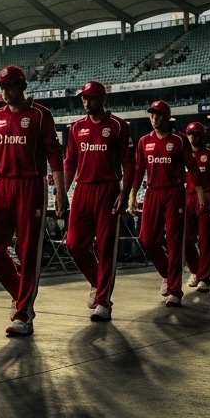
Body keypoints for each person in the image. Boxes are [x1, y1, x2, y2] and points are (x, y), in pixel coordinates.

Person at [0, 65, 67, 336]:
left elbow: (54, 154)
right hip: (2, 185)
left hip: (31, 185)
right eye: (1, 87)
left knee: (28, 251)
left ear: (22, 87)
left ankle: (23, 313)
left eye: (9, 86)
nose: (4, 92)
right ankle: (19, 293)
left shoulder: (40, 114)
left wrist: (60, 191)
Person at [64, 80, 134, 322]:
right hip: (82, 189)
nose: (86, 102)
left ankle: (103, 301)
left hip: (108, 189)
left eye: (91, 97)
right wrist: (62, 191)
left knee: (105, 247)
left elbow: (128, 161)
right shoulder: (76, 128)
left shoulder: (117, 126)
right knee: (74, 244)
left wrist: (125, 193)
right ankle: (97, 282)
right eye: (83, 98)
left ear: (103, 99)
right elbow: (70, 161)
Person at [127, 100, 197, 306]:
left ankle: (174, 290)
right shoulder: (143, 141)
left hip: (174, 192)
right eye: (151, 115)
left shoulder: (179, 140)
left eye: (158, 115)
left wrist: (200, 192)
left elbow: (192, 167)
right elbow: (139, 170)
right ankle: (168, 274)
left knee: (174, 241)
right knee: (147, 239)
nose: (154, 118)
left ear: (167, 117)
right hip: (152, 193)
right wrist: (132, 195)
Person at [183, 121, 210, 292]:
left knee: (206, 241)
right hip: (186, 199)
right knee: (186, 239)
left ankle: (204, 278)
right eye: (190, 134)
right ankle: (196, 270)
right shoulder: (181, 155)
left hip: (207, 198)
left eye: (196, 134)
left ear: (201, 136)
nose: (193, 137)